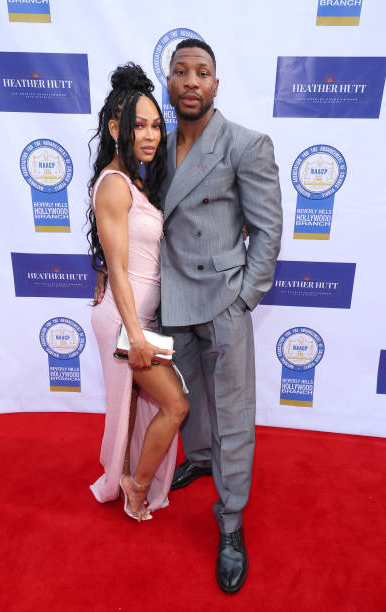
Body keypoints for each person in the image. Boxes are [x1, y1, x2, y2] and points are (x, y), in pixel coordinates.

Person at [160, 39, 282, 593]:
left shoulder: (246, 144)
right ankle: (201, 459)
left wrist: (244, 299)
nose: (191, 81)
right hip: (171, 300)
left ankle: (230, 523)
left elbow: (268, 230)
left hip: (222, 298)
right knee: (189, 402)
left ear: (216, 84)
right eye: (180, 72)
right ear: (169, 83)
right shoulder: (153, 146)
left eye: (201, 72)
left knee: (232, 415)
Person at [87, 64, 188, 522]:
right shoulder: (113, 185)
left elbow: (127, 258)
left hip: (140, 320)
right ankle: (134, 486)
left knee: (134, 408)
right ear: (115, 129)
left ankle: (126, 475)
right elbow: (122, 270)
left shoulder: (138, 182)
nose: (150, 136)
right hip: (125, 322)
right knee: (174, 404)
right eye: (138, 126)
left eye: (155, 125)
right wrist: (136, 338)